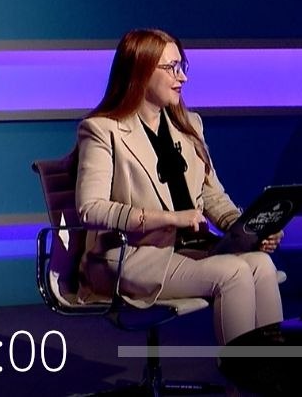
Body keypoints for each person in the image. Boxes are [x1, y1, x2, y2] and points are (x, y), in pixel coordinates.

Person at [75, 28, 285, 346]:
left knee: (261, 264)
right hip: (132, 255)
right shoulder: (102, 130)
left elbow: (212, 195)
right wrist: (170, 218)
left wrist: (249, 230)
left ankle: (273, 369)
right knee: (233, 272)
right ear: (141, 72)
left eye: (182, 66)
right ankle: (239, 375)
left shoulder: (189, 125)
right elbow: (90, 209)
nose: (182, 77)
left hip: (190, 248)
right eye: (171, 67)